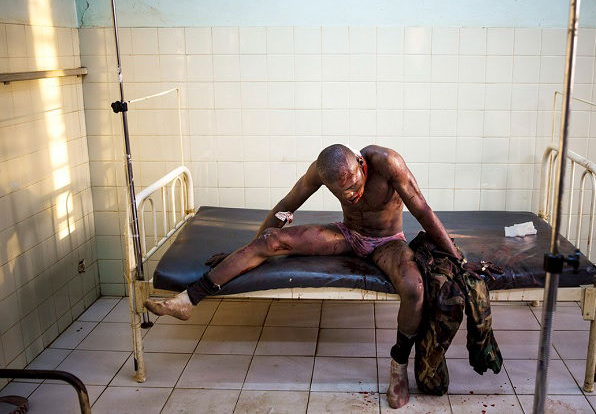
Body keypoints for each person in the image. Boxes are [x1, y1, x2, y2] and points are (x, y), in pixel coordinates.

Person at [144, 144, 500, 408]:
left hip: (387, 242)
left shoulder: (387, 162)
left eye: (357, 187)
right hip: (346, 234)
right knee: (272, 240)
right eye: (343, 194)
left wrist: (458, 258)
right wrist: (250, 247)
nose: (353, 195)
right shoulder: (321, 169)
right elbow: (289, 202)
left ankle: (398, 366)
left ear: (362, 165)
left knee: (414, 287)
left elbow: (421, 208)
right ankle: (188, 300)